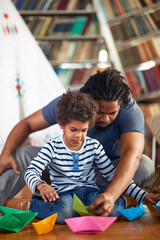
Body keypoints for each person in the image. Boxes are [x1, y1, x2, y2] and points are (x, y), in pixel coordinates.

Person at [0, 68, 155, 215]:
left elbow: (132, 155)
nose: (106, 119)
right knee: (20, 154)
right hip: (63, 172)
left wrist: (111, 194)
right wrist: (5, 154)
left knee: (144, 164)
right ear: (87, 101)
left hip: (104, 175)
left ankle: (95, 200)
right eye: (100, 112)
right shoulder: (72, 103)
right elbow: (27, 124)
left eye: (112, 113)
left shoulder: (129, 110)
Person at [23, 91, 157, 224]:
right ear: (62, 125)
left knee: (112, 211)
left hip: (90, 193)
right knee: (64, 213)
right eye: (73, 130)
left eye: (84, 130)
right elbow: (31, 171)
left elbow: (112, 175)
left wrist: (143, 195)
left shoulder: (94, 146)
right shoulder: (52, 147)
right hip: (64, 195)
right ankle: (29, 205)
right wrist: (41, 185)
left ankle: (126, 200)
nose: (79, 136)